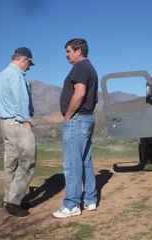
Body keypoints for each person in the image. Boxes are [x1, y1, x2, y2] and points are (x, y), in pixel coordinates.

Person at [53, 38, 98, 218]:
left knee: (72, 163)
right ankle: (90, 200)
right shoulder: (90, 67)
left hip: (78, 119)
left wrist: (68, 115)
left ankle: (72, 205)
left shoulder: (80, 67)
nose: (66, 54)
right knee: (85, 161)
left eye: (68, 51)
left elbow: (80, 93)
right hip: (87, 118)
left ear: (79, 51)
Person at [0, 47, 36, 217]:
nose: (29, 68)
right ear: (24, 60)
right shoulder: (17, 75)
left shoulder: (1, 75)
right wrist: (26, 120)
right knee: (28, 160)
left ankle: (8, 199)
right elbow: (21, 99)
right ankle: (12, 202)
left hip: (5, 123)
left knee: (10, 161)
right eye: (29, 64)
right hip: (18, 122)